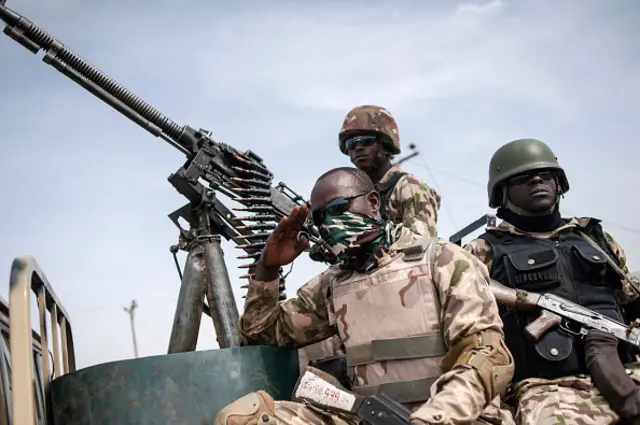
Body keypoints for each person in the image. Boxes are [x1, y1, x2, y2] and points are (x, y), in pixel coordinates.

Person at [215, 167, 515, 425]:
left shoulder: (443, 260)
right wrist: (268, 268)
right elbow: (261, 334)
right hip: (370, 416)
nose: (330, 226)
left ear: (373, 203)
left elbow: (488, 357)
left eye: (338, 208)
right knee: (245, 417)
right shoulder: (333, 284)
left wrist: (431, 418)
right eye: (320, 219)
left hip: (455, 417)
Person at [463, 138, 640, 425]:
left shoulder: (595, 239)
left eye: (545, 174)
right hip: (548, 389)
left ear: (559, 183)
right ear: (502, 192)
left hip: (623, 369)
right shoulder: (484, 250)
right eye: (522, 177)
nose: (536, 180)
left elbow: (631, 301)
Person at [300, 105, 443, 374]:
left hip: (405, 290)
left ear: (386, 144)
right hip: (362, 289)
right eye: (351, 145)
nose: (357, 149)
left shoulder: (408, 188)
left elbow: (418, 247)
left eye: (365, 142)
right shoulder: (352, 193)